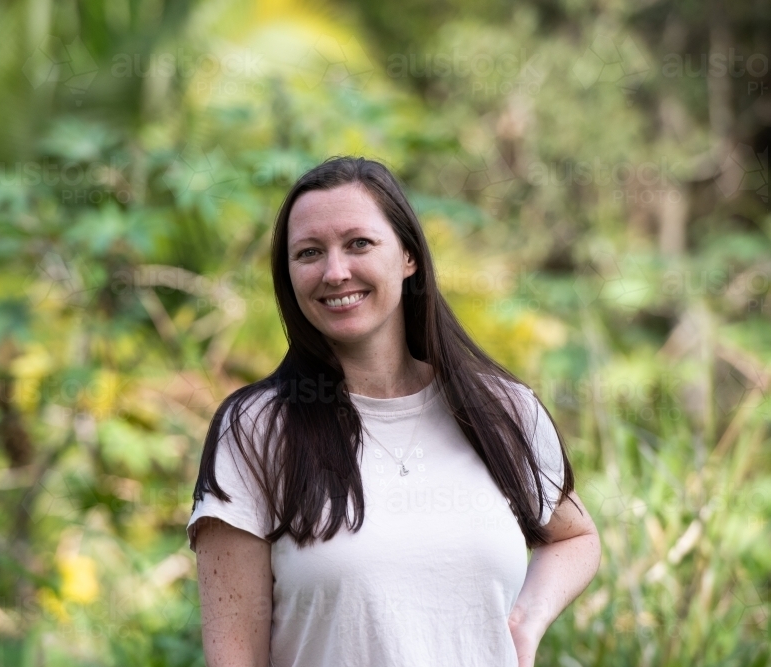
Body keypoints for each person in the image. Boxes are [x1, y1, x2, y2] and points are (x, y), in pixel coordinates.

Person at [186, 156, 601, 667]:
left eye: (359, 243)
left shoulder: (501, 411)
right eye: (309, 252)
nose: (335, 272)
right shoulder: (256, 431)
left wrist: (525, 621)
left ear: (408, 256)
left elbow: (575, 535)